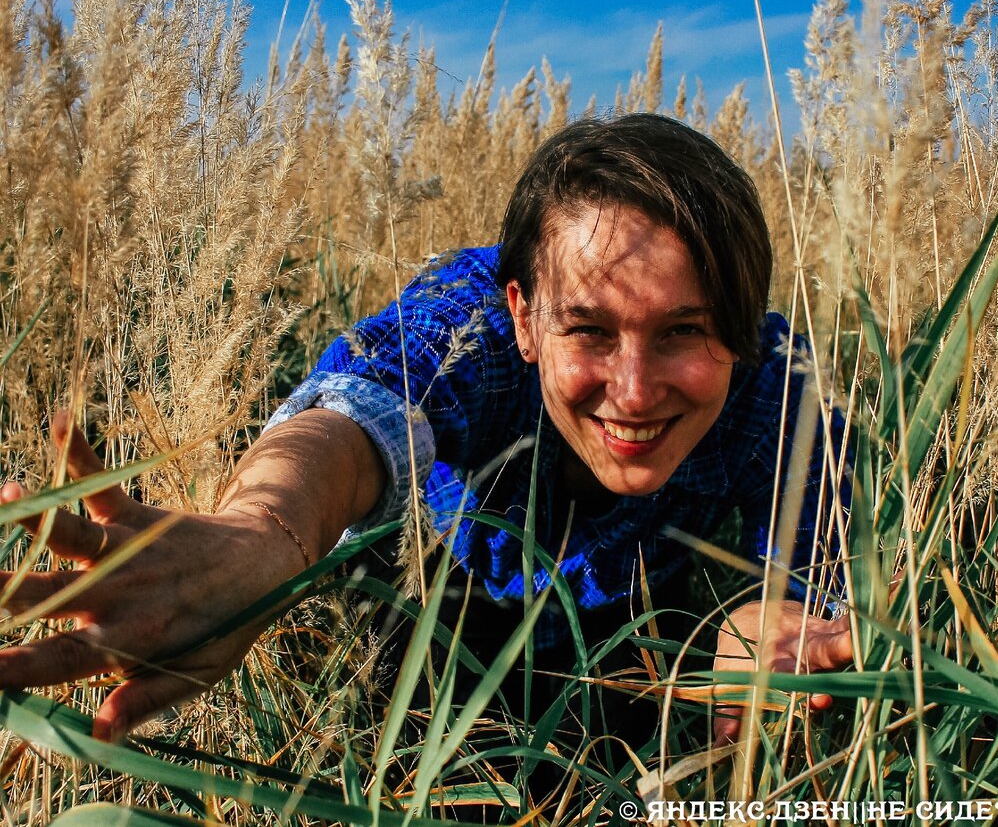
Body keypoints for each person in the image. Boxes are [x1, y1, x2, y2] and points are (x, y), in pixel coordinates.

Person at [0, 113, 852, 750]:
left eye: (684, 332)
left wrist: (765, 625)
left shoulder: (780, 389)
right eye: (589, 331)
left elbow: (824, 560)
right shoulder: (473, 323)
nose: (631, 392)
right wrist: (265, 533)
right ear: (524, 316)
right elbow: (357, 409)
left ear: (742, 325)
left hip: (629, 662)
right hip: (426, 647)